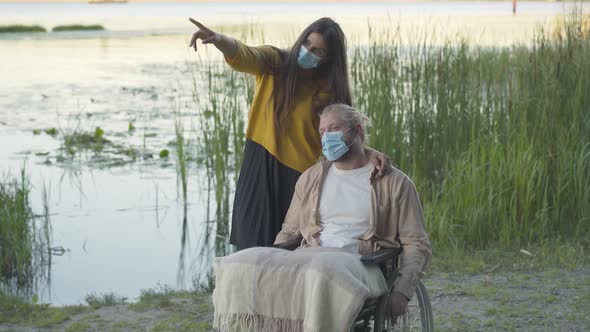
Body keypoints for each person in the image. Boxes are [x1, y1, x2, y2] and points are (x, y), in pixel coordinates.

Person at [212, 104, 431, 331]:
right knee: (239, 262)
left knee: (321, 271)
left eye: (334, 128)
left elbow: (416, 242)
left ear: (357, 131)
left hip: (361, 263)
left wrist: (403, 291)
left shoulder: (394, 182)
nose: (326, 137)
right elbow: (290, 232)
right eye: (322, 131)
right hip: (312, 257)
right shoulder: (311, 178)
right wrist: (273, 261)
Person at [188, 17, 391, 250]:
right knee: (250, 244)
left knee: (289, 248)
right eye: (306, 43)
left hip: (298, 176)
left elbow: (346, 130)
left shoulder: (330, 90)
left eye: (318, 51)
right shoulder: (274, 63)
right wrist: (218, 39)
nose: (307, 51)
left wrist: (368, 152)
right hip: (259, 165)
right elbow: (245, 54)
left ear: (330, 58)